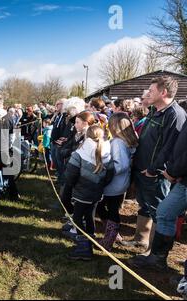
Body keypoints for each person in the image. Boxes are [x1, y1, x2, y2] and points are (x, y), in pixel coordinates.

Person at [122, 77, 187, 252]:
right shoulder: (154, 110)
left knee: (159, 211)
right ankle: (140, 239)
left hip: (155, 175)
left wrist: (153, 170)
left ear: (163, 92)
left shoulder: (175, 115)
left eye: (151, 91)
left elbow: (170, 148)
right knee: (144, 205)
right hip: (142, 169)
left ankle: (153, 251)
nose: (147, 93)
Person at [128, 119, 187, 269]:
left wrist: (173, 171)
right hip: (182, 177)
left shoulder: (174, 115)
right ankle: (158, 258)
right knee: (165, 213)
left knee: (164, 211)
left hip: (179, 175)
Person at [65, 125, 114, 260]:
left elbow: (70, 174)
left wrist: (73, 186)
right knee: (89, 217)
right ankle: (89, 241)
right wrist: (100, 185)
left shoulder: (80, 152)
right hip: (96, 193)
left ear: (87, 136)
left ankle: (84, 248)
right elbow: (110, 173)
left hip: (81, 192)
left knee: (77, 218)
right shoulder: (107, 151)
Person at [97, 113, 138, 252]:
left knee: (104, 207)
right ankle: (114, 235)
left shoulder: (118, 143)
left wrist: (104, 169)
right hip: (121, 182)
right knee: (109, 208)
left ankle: (110, 238)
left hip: (114, 183)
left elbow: (121, 165)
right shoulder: (128, 140)